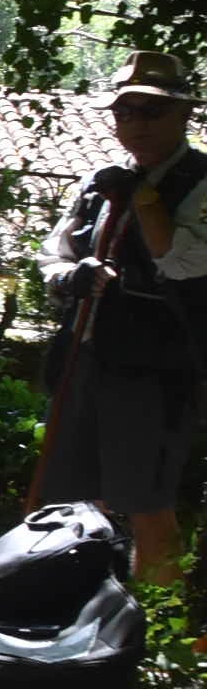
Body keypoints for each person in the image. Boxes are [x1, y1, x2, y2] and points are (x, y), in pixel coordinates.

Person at [35, 51, 207, 583]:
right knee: (70, 500)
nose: (136, 124)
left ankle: (160, 642)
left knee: (146, 502)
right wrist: (70, 276)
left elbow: (181, 262)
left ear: (184, 115)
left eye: (151, 112)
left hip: (158, 373)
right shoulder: (98, 182)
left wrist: (145, 199)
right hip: (85, 358)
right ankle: (78, 624)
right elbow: (52, 253)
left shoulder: (200, 181)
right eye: (126, 112)